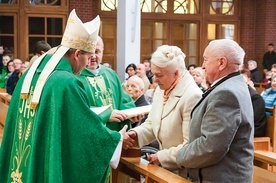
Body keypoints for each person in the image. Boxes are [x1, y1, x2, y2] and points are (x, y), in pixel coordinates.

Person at [0, 9, 127, 183]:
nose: (85, 65)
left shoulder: (31, 73)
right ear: (76, 54)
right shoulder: (66, 82)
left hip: (23, 167)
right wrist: (117, 139)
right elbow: (82, 133)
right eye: (87, 57)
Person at [176, 39, 254, 182]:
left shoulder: (226, 93)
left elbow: (211, 147)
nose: (203, 66)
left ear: (221, 63)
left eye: (206, 59)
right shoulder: (230, 85)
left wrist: (180, 155)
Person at [123, 45, 202, 178]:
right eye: (153, 74)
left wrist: (161, 157)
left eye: (159, 75)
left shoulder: (192, 96)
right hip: (163, 172)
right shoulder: (162, 87)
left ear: (176, 74)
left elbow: (190, 145)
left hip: (182, 173)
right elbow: (152, 124)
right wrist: (134, 134)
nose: (154, 80)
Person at [77, 36, 136, 131]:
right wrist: (105, 115)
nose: (93, 56)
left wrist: (132, 113)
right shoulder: (76, 77)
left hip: (117, 134)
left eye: (97, 51)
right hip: (94, 135)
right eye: (89, 52)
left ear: (102, 51)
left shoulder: (111, 74)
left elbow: (123, 100)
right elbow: (77, 110)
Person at [241, 69, 266, 137]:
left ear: (247, 81)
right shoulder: (241, 94)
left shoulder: (255, 97)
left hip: (254, 130)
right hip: (245, 128)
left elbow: (253, 118)